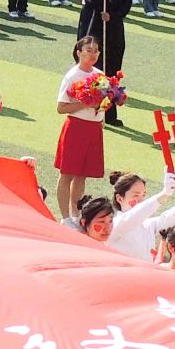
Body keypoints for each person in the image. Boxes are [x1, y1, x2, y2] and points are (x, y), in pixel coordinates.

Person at [51, 36, 111, 216]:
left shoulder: (100, 75)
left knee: (81, 175)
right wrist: (85, 103)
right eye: (88, 50)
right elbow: (61, 108)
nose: (93, 54)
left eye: (96, 51)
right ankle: (65, 216)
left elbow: (104, 103)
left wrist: (104, 103)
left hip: (94, 128)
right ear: (79, 53)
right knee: (67, 173)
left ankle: (75, 215)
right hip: (76, 128)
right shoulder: (72, 76)